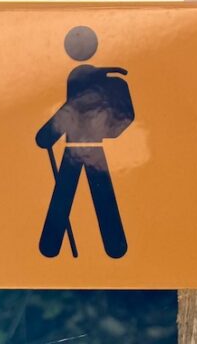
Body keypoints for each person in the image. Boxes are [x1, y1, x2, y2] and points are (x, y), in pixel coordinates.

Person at [36, 26, 133, 259]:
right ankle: (54, 247)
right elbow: (70, 112)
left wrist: (47, 136)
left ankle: (112, 247)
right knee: (71, 194)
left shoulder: (87, 80)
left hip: (83, 149)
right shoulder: (83, 78)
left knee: (86, 195)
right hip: (78, 149)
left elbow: (69, 111)